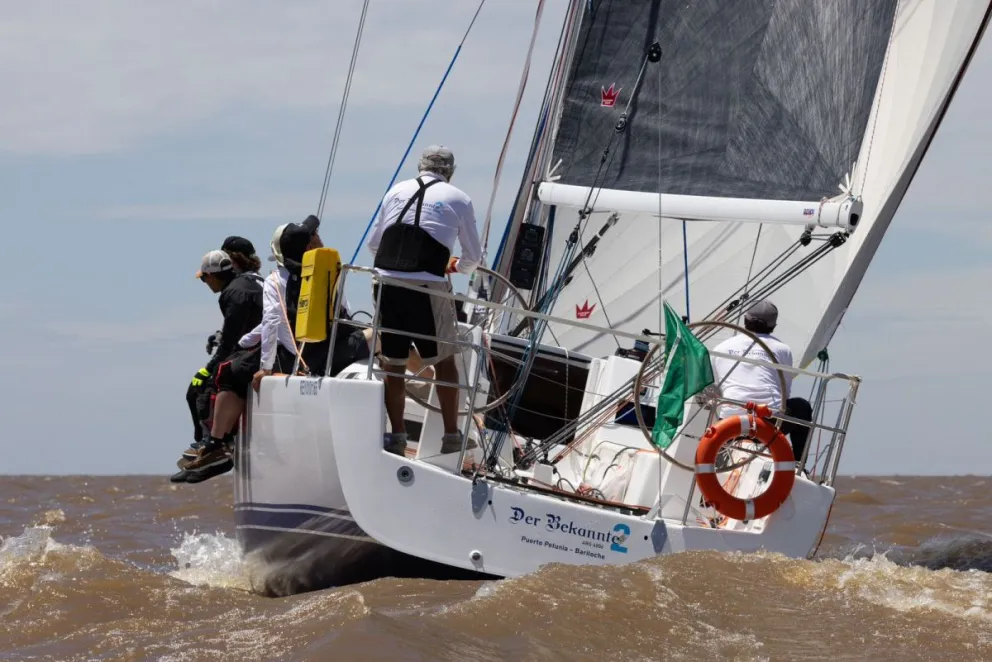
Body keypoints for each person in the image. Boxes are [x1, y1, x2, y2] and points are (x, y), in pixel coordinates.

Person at [182, 216, 373, 478]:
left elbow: (273, 322)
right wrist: (247, 340)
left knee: (229, 372)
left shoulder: (274, 280)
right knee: (381, 334)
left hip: (297, 357)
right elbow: (342, 314)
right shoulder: (327, 272)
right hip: (334, 349)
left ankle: (216, 444)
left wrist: (265, 369)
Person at [366, 144, 483, 456]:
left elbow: (374, 245)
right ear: (450, 172)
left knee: (394, 362)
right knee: (445, 361)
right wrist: (455, 265)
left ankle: (398, 435)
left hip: (387, 285)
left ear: (420, 167)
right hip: (427, 288)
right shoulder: (459, 198)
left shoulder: (395, 191)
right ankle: (451, 436)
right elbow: (473, 257)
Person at [177, 244, 264, 481]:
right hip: (257, 347)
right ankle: (204, 446)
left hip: (257, 351)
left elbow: (232, 340)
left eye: (205, 279)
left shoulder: (233, 293)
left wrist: (209, 368)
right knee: (204, 384)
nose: (205, 284)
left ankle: (213, 448)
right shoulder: (248, 283)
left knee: (200, 388)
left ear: (213, 276)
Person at [710, 300, 814, 463]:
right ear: (773, 325)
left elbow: (716, 386)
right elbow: (784, 392)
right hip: (768, 423)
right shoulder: (782, 349)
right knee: (802, 406)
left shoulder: (721, 347)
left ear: (745, 319)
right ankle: (798, 465)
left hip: (729, 422)